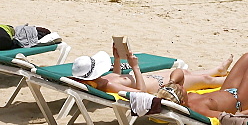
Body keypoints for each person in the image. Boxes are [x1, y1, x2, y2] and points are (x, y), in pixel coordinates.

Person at [155, 52, 248, 119]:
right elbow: (232, 118)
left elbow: (179, 72)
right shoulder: (197, 108)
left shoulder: (185, 99)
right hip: (241, 102)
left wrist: (172, 83)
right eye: (181, 89)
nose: (184, 87)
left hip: (228, 91)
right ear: (181, 101)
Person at [70, 45, 233, 94]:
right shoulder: (108, 86)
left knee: (187, 73)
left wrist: (118, 58)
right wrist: (135, 67)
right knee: (205, 81)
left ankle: (218, 69)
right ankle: (234, 79)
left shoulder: (103, 80)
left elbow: (116, 74)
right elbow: (140, 92)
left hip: (154, 77)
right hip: (160, 85)